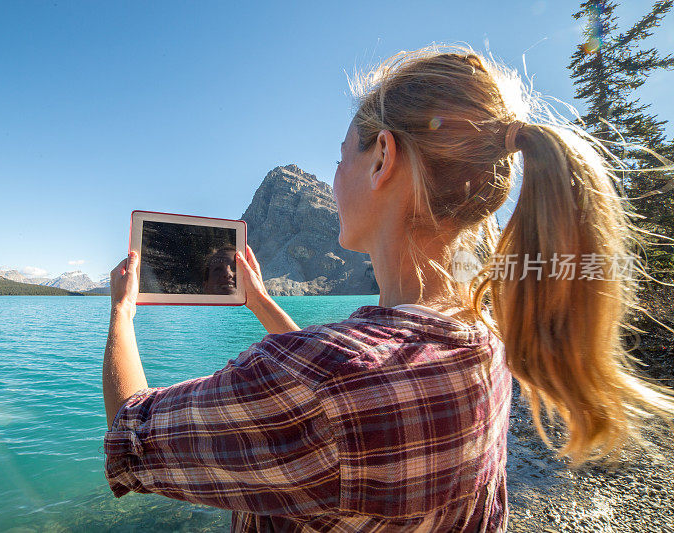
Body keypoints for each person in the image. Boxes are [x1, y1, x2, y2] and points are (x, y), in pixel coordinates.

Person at [101, 46, 674, 532]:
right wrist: (261, 301)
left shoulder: (324, 382)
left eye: (341, 157)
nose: (333, 179)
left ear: (383, 159)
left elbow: (132, 432)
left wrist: (122, 313)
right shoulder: (485, 335)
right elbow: (343, 386)